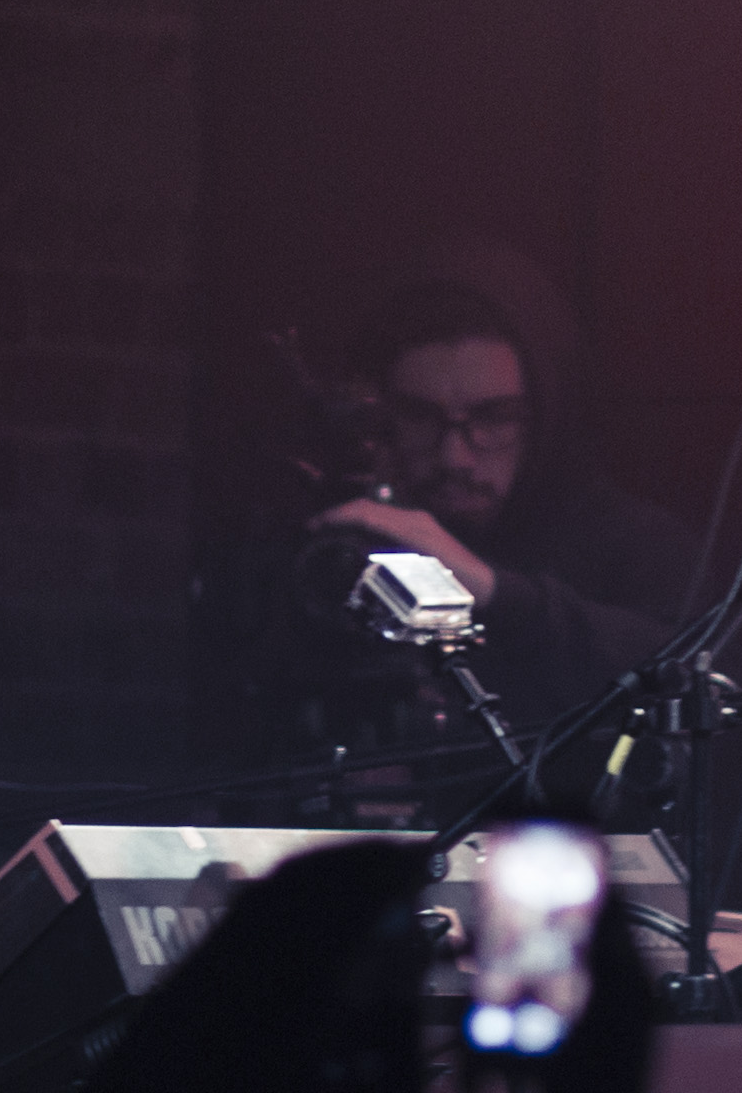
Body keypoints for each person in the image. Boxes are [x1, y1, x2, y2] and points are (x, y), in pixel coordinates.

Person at [230, 271, 690, 761]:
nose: (455, 457)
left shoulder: (636, 544)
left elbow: (701, 685)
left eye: (493, 419)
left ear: (545, 418)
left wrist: (493, 591)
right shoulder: (334, 552)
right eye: (420, 419)